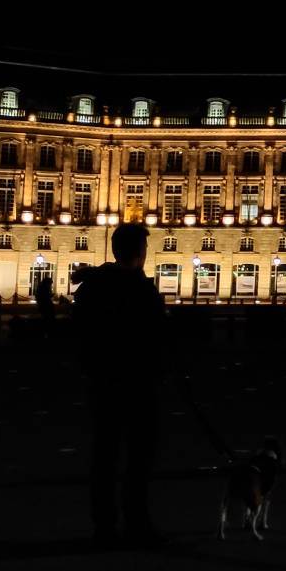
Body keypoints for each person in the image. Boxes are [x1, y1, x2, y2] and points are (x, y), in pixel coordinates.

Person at [72, 221, 167, 549]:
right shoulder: (142, 290)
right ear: (141, 253)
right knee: (138, 460)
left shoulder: (92, 288)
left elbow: (78, 337)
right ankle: (136, 523)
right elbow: (159, 339)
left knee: (105, 459)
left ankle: (105, 526)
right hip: (138, 386)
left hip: (103, 385)